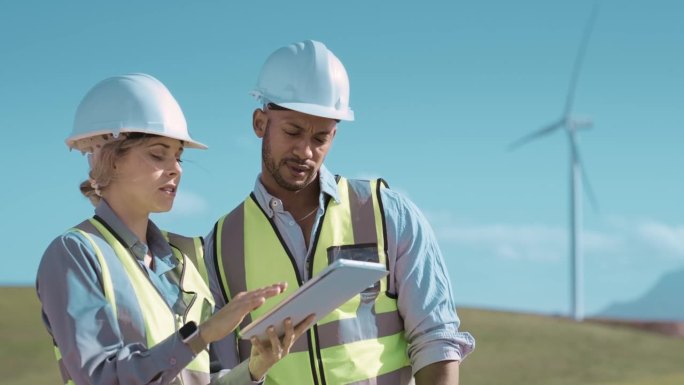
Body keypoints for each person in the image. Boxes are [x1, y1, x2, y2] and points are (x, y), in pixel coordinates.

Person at [204, 40, 475, 385]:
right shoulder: (222, 244)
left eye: (321, 137)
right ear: (260, 123)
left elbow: (436, 338)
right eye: (292, 131)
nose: (305, 151)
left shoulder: (386, 212)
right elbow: (221, 375)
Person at [36, 73, 313, 385]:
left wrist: (253, 369)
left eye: (179, 157)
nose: (176, 169)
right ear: (110, 159)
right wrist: (201, 335)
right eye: (158, 154)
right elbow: (101, 376)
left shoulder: (187, 258)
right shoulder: (75, 254)